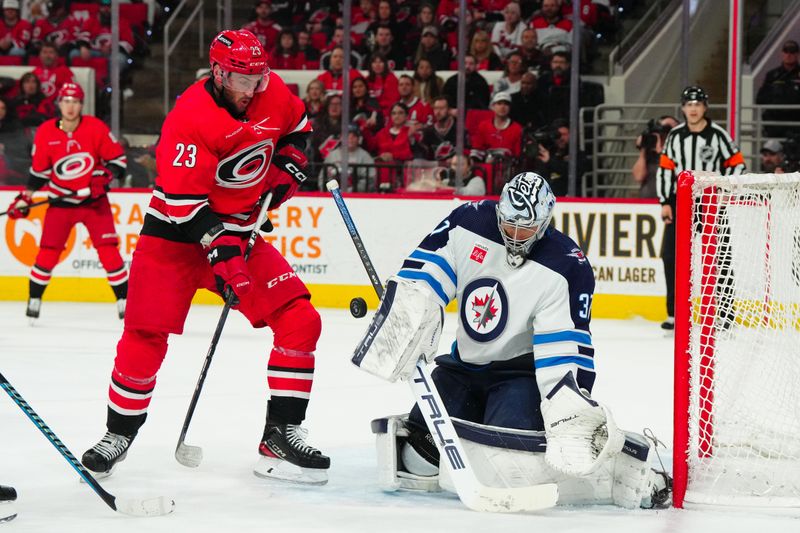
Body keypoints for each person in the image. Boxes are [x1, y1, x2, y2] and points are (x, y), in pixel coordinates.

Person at [79, 29, 330, 485]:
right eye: (241, 80)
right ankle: (118, 435)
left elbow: (298, 128)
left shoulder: (269, 90)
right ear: (217, 72)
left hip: (238, 232)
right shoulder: (190, 117)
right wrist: (227, 261)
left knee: (301, 319)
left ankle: (279, 435)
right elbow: (185, 208)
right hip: (174, 237)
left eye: (258, 79)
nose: (252, 91)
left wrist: (288, 165)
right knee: (145, 336)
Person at [352, 172, 670, 509]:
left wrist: (566, 402)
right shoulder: (468, 222)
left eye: (527, 229)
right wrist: (409, 310)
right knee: (417, 459)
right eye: (509, 224)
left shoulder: (566, 266)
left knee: (509, 463)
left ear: (545, 222)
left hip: (518, 375)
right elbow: (426, 273)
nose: (516, 236)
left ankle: (621, 468)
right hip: (463, 367)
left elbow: (562, 347)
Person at [5, 82, 128, 321]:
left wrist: (102, 176)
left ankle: (123, 300)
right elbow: (39, 173)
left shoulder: (96, 128)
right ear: (59, 103)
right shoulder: (45, 132)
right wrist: (26, 197)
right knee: (48, 252)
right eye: (66, 101)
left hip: (94, 202)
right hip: (61, 203)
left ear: (82, 104)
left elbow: (119, 162)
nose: (70, 107)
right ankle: (34, 298)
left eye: (75, 101)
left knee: (108, 250)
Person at [656, 86, 745, 331]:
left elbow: (737, 164)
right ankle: (675, 313)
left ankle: (725, 313)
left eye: (697, 104)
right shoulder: (675, 136)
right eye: (689, 104)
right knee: (671, 255)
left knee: (720, 256)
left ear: (705, 107)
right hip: (680, 202)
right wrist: (665, 202)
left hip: (710, 201)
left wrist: (724, 189)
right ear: (683, 108)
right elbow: (665, 169)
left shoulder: (718, 134)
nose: (693, 109)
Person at [531, 118, 590, 197]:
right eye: (558, 135)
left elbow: (574, 172)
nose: (561, 138)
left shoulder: (578, 155)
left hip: (569, 202)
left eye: (564, 134)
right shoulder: (548, 154)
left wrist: (550, 161)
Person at [755, 39, 800, 138]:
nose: (788, 55)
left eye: (792, 52)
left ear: (797, 54)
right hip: (775, 126)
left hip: (796, 127)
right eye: (786, 51)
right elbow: (760, 99)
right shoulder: (772, 75)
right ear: (782, 53)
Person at [631, 115, 678, 198]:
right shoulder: (650, 150)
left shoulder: (683, 150)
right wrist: (643, 150)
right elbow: (639, 177)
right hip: (649, 204)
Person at [469, 91, 523, 163]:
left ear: (510, 107)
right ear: (493, 106)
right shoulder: (483, 126)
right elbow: (477, 149)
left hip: (508, 167)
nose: (502, 107)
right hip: (486, 165)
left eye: (506, 104)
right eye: (499, 103)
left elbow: (517, 155)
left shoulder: (517, 129)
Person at [321, 123, 376, 191]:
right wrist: (331, 192)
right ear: (341, 138)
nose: (350, 139)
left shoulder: (365, 157)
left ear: (358, 139)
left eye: (354, 136)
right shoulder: (332, 155)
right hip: (333, 196)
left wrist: (352, 190)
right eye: (347, 136)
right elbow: (322, 178)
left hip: (357, 198)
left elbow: (370, 181)